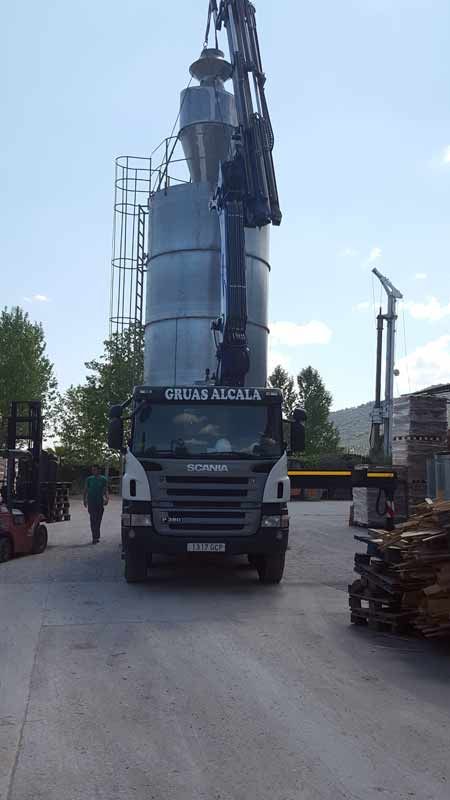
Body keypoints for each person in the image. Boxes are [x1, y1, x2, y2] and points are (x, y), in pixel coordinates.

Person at [83, 465, 108, 544]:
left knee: (98, 520)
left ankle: (97, 535)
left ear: (99, 470)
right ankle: (95, 537)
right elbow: (86, 490)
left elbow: (105, 490)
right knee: (93, 519)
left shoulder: (103, 479)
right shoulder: (89, 479)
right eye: (92, 470)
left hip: (100, 502)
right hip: (91, 502)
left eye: (95, 470)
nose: (93, 471)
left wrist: (107, 498)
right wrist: (84, 499)